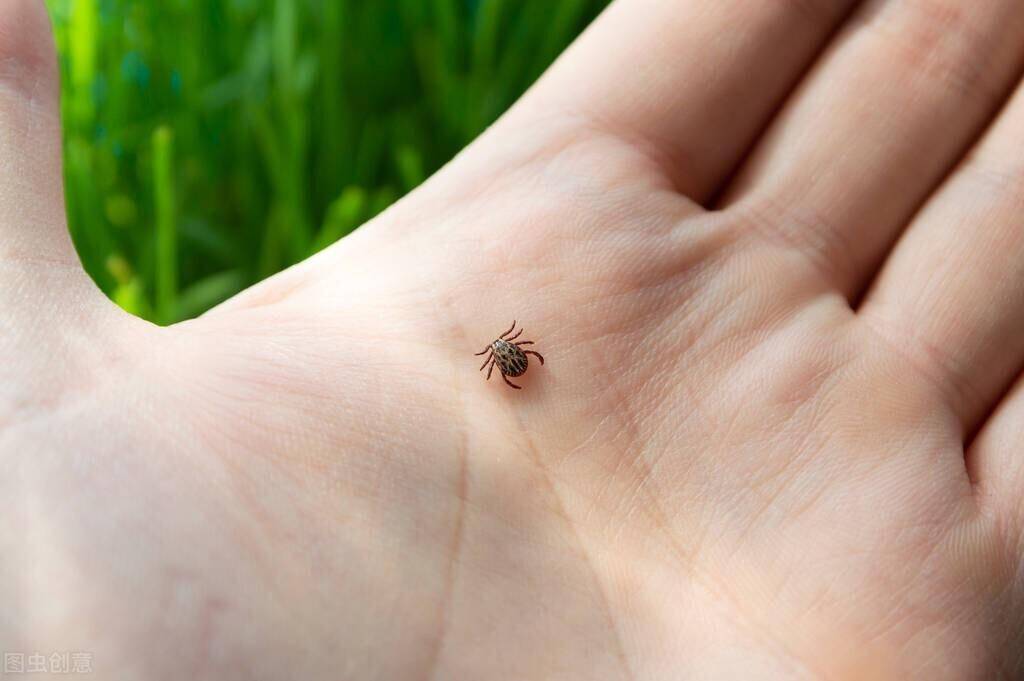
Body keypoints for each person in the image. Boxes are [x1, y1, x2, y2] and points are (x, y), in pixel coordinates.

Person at [4, 0, 1024, 677]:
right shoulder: (509, 358)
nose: (505, 362)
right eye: (504, 359)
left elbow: (516, 357)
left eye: (504, 358)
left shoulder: (504, 355)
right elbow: (518, 359)